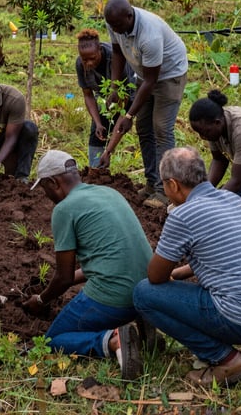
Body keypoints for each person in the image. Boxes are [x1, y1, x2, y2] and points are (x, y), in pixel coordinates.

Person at [133, 147, 241, 386]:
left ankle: (226, 359)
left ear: (173, 185)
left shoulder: (183, 215)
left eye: (164, 185)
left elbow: (155, 277)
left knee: (144, 294)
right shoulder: (233, 200)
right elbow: (224, 258)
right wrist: (179, 273)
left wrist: (167, 274)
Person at [21, 150, 151, 378]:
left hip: (114, 298)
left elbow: (65, 278)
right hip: (146, 290)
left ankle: (114, 340)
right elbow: (104, 262)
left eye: (45, 189)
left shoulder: (64, 209)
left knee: (52, 341)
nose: (47, 195)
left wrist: (41, 300)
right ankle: (143, 322)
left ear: (53, 182)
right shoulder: (109, 193)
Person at [99, 0, 188, 208]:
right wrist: (114, 87)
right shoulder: (114, 22)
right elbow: (118, 52)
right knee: (143, 128)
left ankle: (164, 191)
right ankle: (151, 182)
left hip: (169, 75)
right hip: (145, 73)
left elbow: (151, 81)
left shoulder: (149, 35)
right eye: (113, 27)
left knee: (161, 129)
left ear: (130, 16)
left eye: (119, 26)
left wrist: (128, 115)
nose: (116, 31)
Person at [75, 29, 138, 168]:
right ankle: (96, 171)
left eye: (93, 58)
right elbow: (88, 95)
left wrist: (108, 151)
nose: (89, 63)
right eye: (85, 59)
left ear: (100, 50)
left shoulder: (115, 59)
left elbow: (123, 105)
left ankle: (106, 157)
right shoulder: (80, 64)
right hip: (105, 97)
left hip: (127, 93)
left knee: (119, 123)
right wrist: (97, 123)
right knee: (98, 132)